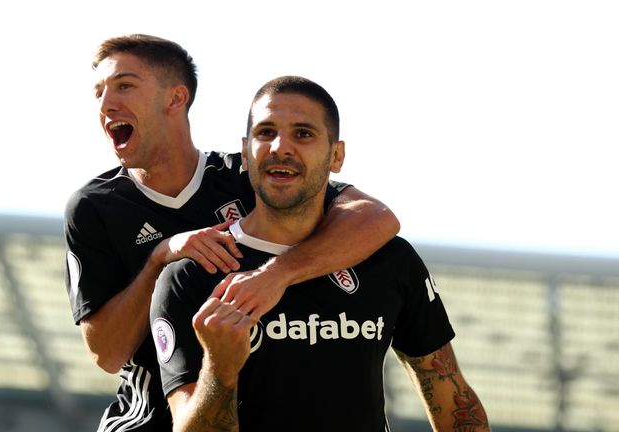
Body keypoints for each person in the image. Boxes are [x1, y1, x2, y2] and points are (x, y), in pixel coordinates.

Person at [64, 35, 400, 432]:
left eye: (124, 85)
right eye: (99, 92)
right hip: (146, 422)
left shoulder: (248, 175)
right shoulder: (93, 206)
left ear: (175, 99)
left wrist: (275, 275)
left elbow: (377, 217)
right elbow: (106, 353)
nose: (106, 104)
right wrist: (161, 256)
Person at [150, 76, 490, 431]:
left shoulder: (390, 261)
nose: (280, 147)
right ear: (246, 152)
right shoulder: (191, 275)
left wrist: (277, 276)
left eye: (303, 134)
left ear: (337, 155)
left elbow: (453, 403)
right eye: (266, 133)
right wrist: (219, 371)